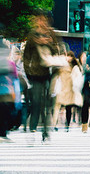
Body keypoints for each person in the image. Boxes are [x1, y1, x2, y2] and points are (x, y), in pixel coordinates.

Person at [23, 10, 67, 142]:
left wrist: (47, 42)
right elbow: (26, 56)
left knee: (48, 104)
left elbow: (58, 51)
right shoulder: (32, 35)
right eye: (38, 18)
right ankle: (32, 130)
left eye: (43, 18)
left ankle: (46, 132)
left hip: (50, 73)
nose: (41, 21)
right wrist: (28, 72)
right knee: (36, 102)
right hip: (35, 74)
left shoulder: (52, 34)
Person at [51, 51, 83, 131]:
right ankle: (54, 124)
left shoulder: (75, 66)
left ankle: (67, 125)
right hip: (61, 88)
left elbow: (79, 75)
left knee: (68, 108)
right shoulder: (61, 65)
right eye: (67, 56)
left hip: (70, 89)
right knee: (56, 107)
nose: (68, 58)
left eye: (70, 56)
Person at [0, 41, 18, 142]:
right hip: (6, 92)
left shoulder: (10, 64)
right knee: (5, 112)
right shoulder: (10, 64)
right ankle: (3, 134)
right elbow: (15, 79)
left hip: (5, 92)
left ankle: (3, 134)